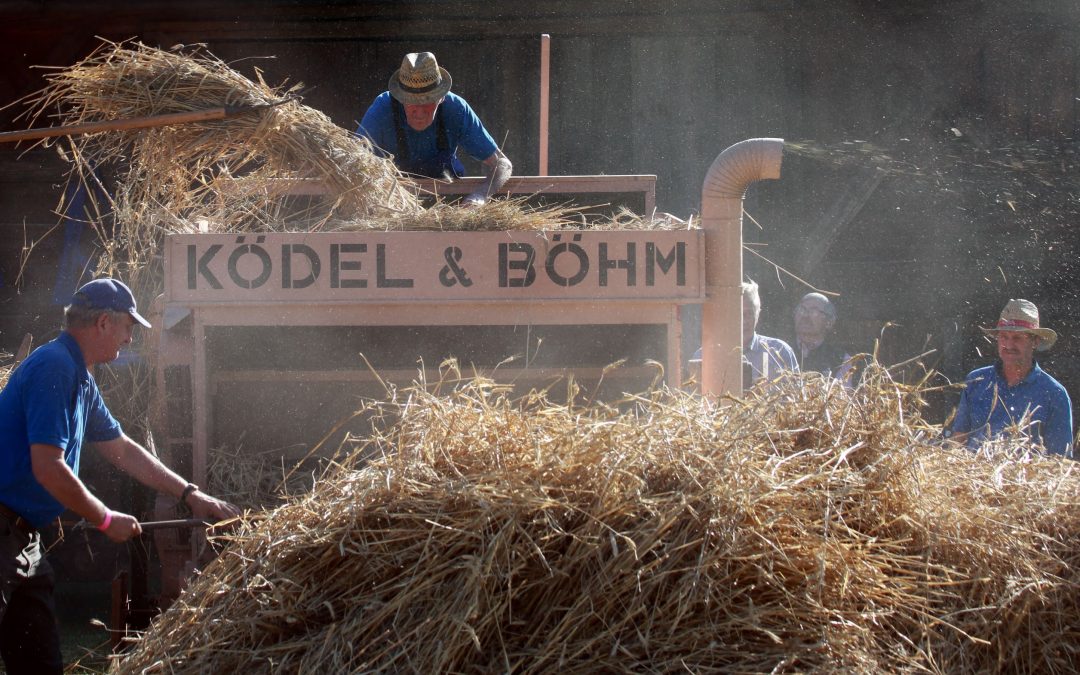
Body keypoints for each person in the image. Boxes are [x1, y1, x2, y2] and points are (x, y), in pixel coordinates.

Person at [0, 278, 240, 672]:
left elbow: (123, 449)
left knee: (39, 658)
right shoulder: (55, 368)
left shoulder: (81, 378)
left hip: (22, 540)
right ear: (103, 323)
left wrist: (191, 494)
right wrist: (105, 518)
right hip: (2, 533)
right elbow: (48, 466)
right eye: (129, 328)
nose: (129, 340)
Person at [356, 51, 513, 205]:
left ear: (442, 97)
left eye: (427, 102)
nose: (419, 112)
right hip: (392, 204)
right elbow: (352, 162)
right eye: (412, 103)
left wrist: (480, 195)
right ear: (400, 98)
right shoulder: (383, 109)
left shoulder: (456, 109)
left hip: (447, 205)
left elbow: (503, 164)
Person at [948, 298, 1073, 457]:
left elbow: (1059, 460)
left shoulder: (1054, 394)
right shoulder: (976, 381)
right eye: (1004, 337)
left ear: (1035, 341)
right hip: (974, 478)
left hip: (1024, 480)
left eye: (1017, 338)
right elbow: (958, 441)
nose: (1009, 345)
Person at [690, 280, 799, 386]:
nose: (743, 320)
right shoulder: (704, 356)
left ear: (757, 314)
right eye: (737, 313)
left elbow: (799, 397)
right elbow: (696, 398)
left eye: (748, 313)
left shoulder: (779, 352)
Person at [792, 292, 853, 381]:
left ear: (829, 322)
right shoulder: (777, 350)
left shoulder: (841, 360)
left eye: (814, 311)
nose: (805, 315)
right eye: (802, 309)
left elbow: (844, 392)